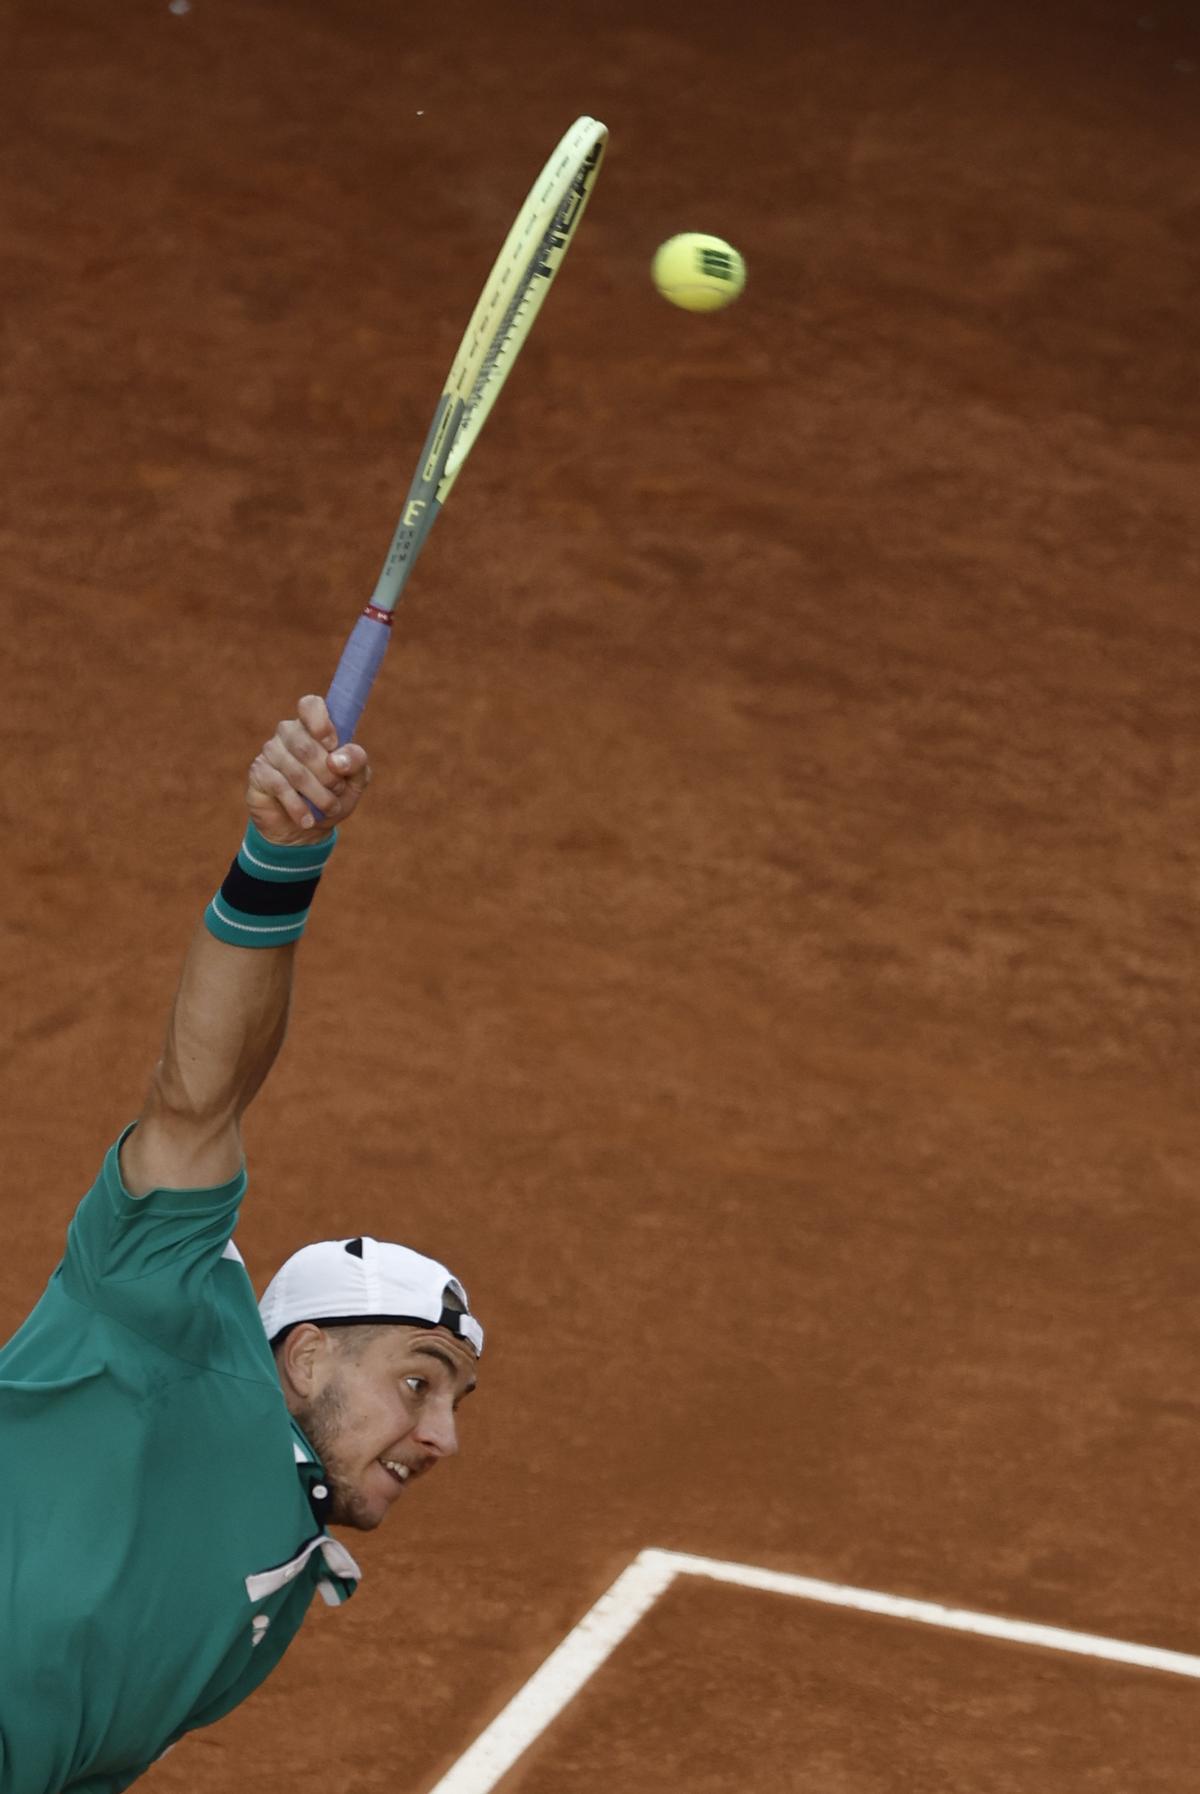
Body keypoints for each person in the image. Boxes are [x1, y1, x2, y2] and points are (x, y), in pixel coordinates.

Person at [0, 696, 483, 1794]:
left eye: (454, 1399)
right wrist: (281, 857)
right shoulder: (160, 1327)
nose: (442, 1435)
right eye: (421, 1379)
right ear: (305, 1356)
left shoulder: (265, 1614)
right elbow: (199, 1099)